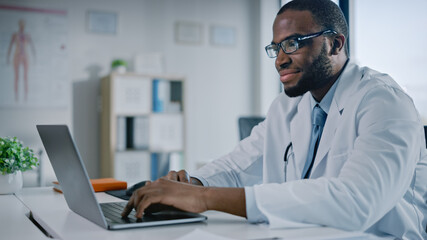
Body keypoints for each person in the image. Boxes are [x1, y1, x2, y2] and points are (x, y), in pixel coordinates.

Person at [122, 0, 427, 238]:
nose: (280, 58)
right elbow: (236, 167)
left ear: (335, 44)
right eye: (276, 47)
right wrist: (189, 185)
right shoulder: (289, 106)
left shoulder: (383, 102)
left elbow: (356, 202)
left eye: (293, 43)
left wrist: (203, 198)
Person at [7, 19, 36, 102]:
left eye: (23, 25)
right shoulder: (15, 35)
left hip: (25, 56)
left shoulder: (27, 35)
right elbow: (10, 46)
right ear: (19, 25)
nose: (22, 26)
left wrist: (34, 57)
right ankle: (16, 97)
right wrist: (8, 57)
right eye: (21, 25)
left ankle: (26, 97)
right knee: (17, 77)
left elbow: (32, 46)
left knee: (25, 77)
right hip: (17, 55)